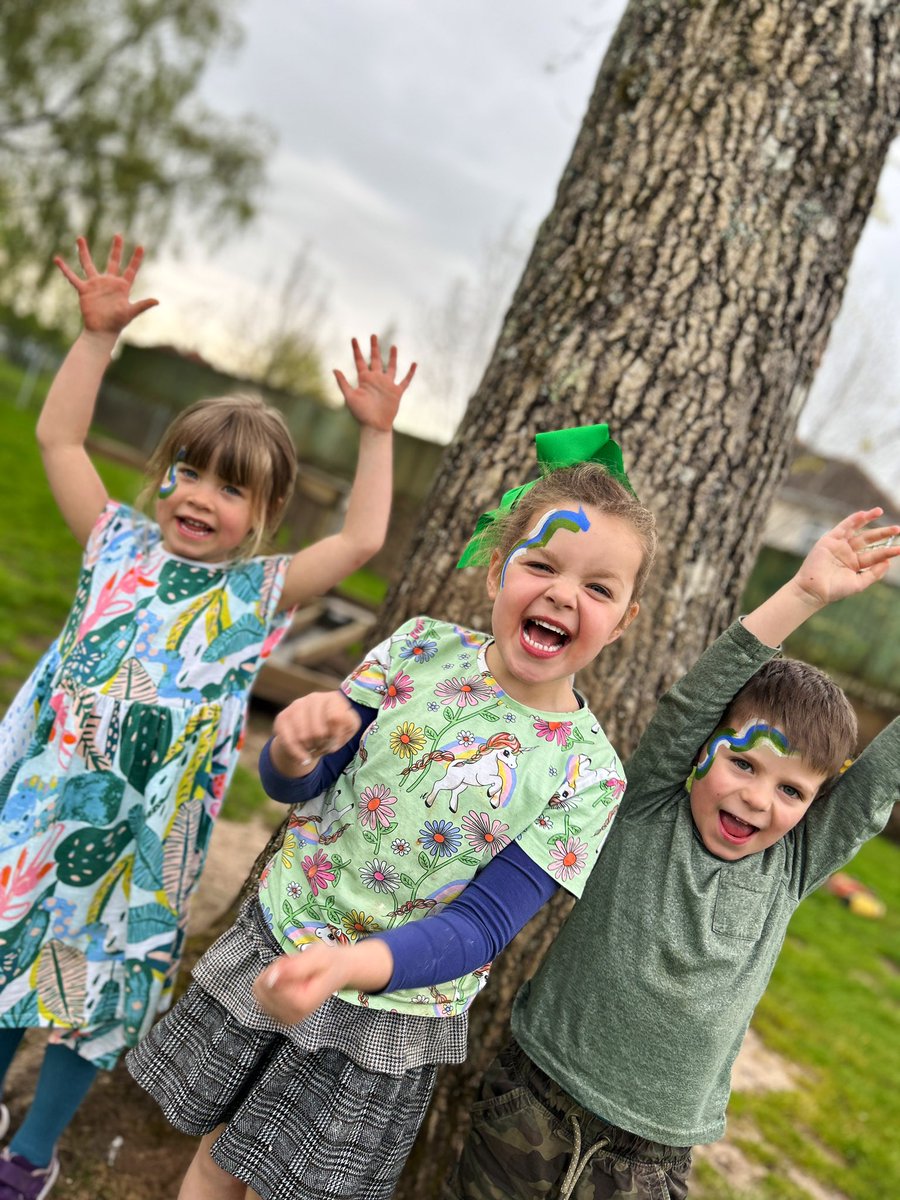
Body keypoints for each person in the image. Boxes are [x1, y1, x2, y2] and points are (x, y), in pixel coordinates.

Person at [126, 426, 659, 1200]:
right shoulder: (418, 651)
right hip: (282, 938)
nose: (561, 594)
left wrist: (351, 967)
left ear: (625, 621)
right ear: (495, 576)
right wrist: (294, 747)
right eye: (540, 564)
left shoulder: (588, 774)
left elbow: (481, 928)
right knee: (220, 1156)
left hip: (385, 1014)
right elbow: (298, 784)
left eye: (599, 588)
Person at [0, 234, 415, 1198]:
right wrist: (95, 339)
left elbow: (361, 535)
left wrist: (378, 432)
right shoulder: (115, 543)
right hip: (47, 813)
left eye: (232, 487)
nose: (200, 496)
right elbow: (59, 439)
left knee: (87, 995)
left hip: (143, 852)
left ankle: (32, 1153)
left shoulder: (257, 596)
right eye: (189, 470)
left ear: (264, 515)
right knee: (11, 958)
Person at [440, 508, 900, 1200]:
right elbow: (696, 697)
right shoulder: (650, 801)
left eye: (790, 791)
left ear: (814, 806)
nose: (757, 799)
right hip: (534, 1100)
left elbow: (872, 790)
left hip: (654, 1155)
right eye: (742, 765)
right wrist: (804, 594)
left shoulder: (795, 866)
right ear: (701, 752)